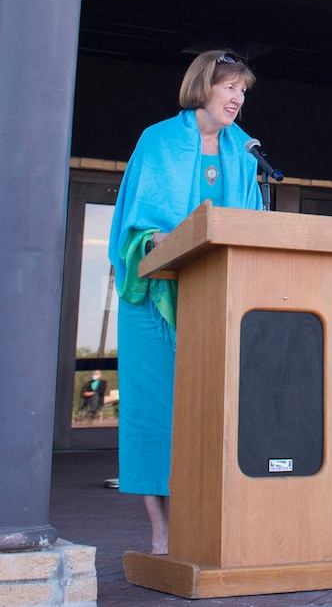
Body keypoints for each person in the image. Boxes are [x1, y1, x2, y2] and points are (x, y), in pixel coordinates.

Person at [108, 49, 265, 555]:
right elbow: (139, 225)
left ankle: (219, 521)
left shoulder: (244, 151)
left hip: (220, 295)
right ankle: (161, 532)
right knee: (156, 412)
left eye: (242, 89)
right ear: (203, 87)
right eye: (229, 87)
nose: (237, 98)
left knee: (220, 410)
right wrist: (157, 241)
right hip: (156, 298)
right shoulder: (158, 140)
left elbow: (254, 223)